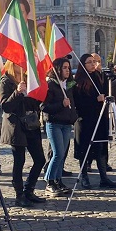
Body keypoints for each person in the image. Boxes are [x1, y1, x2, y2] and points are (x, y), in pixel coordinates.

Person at [0, 61, 47, 206]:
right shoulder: (6, 81)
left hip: (31, 124)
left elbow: (36, 103)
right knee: (19, 162)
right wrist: (18, 92)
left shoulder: (29, 79)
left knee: (40, 159)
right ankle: (19, 195)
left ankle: (29, 190)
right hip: (17, 126)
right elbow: (5, 106)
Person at [72, 54, 116, 189]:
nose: (93, 64)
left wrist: (111, 79)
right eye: (89, 62)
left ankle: (104, 177)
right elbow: (78, 102)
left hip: (99, 117)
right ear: (83, 65)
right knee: (84, 150)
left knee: (100, 148)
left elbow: (104, 92)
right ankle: (84, 177)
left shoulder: (97, 76)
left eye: (94, 62)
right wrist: (94, 100)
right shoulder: (78, 81)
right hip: (84, 120)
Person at [41, 58, 77, 196]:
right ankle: (49, 182)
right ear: (57, 69)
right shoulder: (50, 85)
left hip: (66, 124)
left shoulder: (68, 85)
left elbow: (72, 103)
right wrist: (61, 104)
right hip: (54, 123)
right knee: (57, 153)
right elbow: (44, 107)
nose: (68, 70)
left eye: (68, 67)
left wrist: (74, 115)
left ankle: (58, 180)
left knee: (63, 155)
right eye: (64, 68)